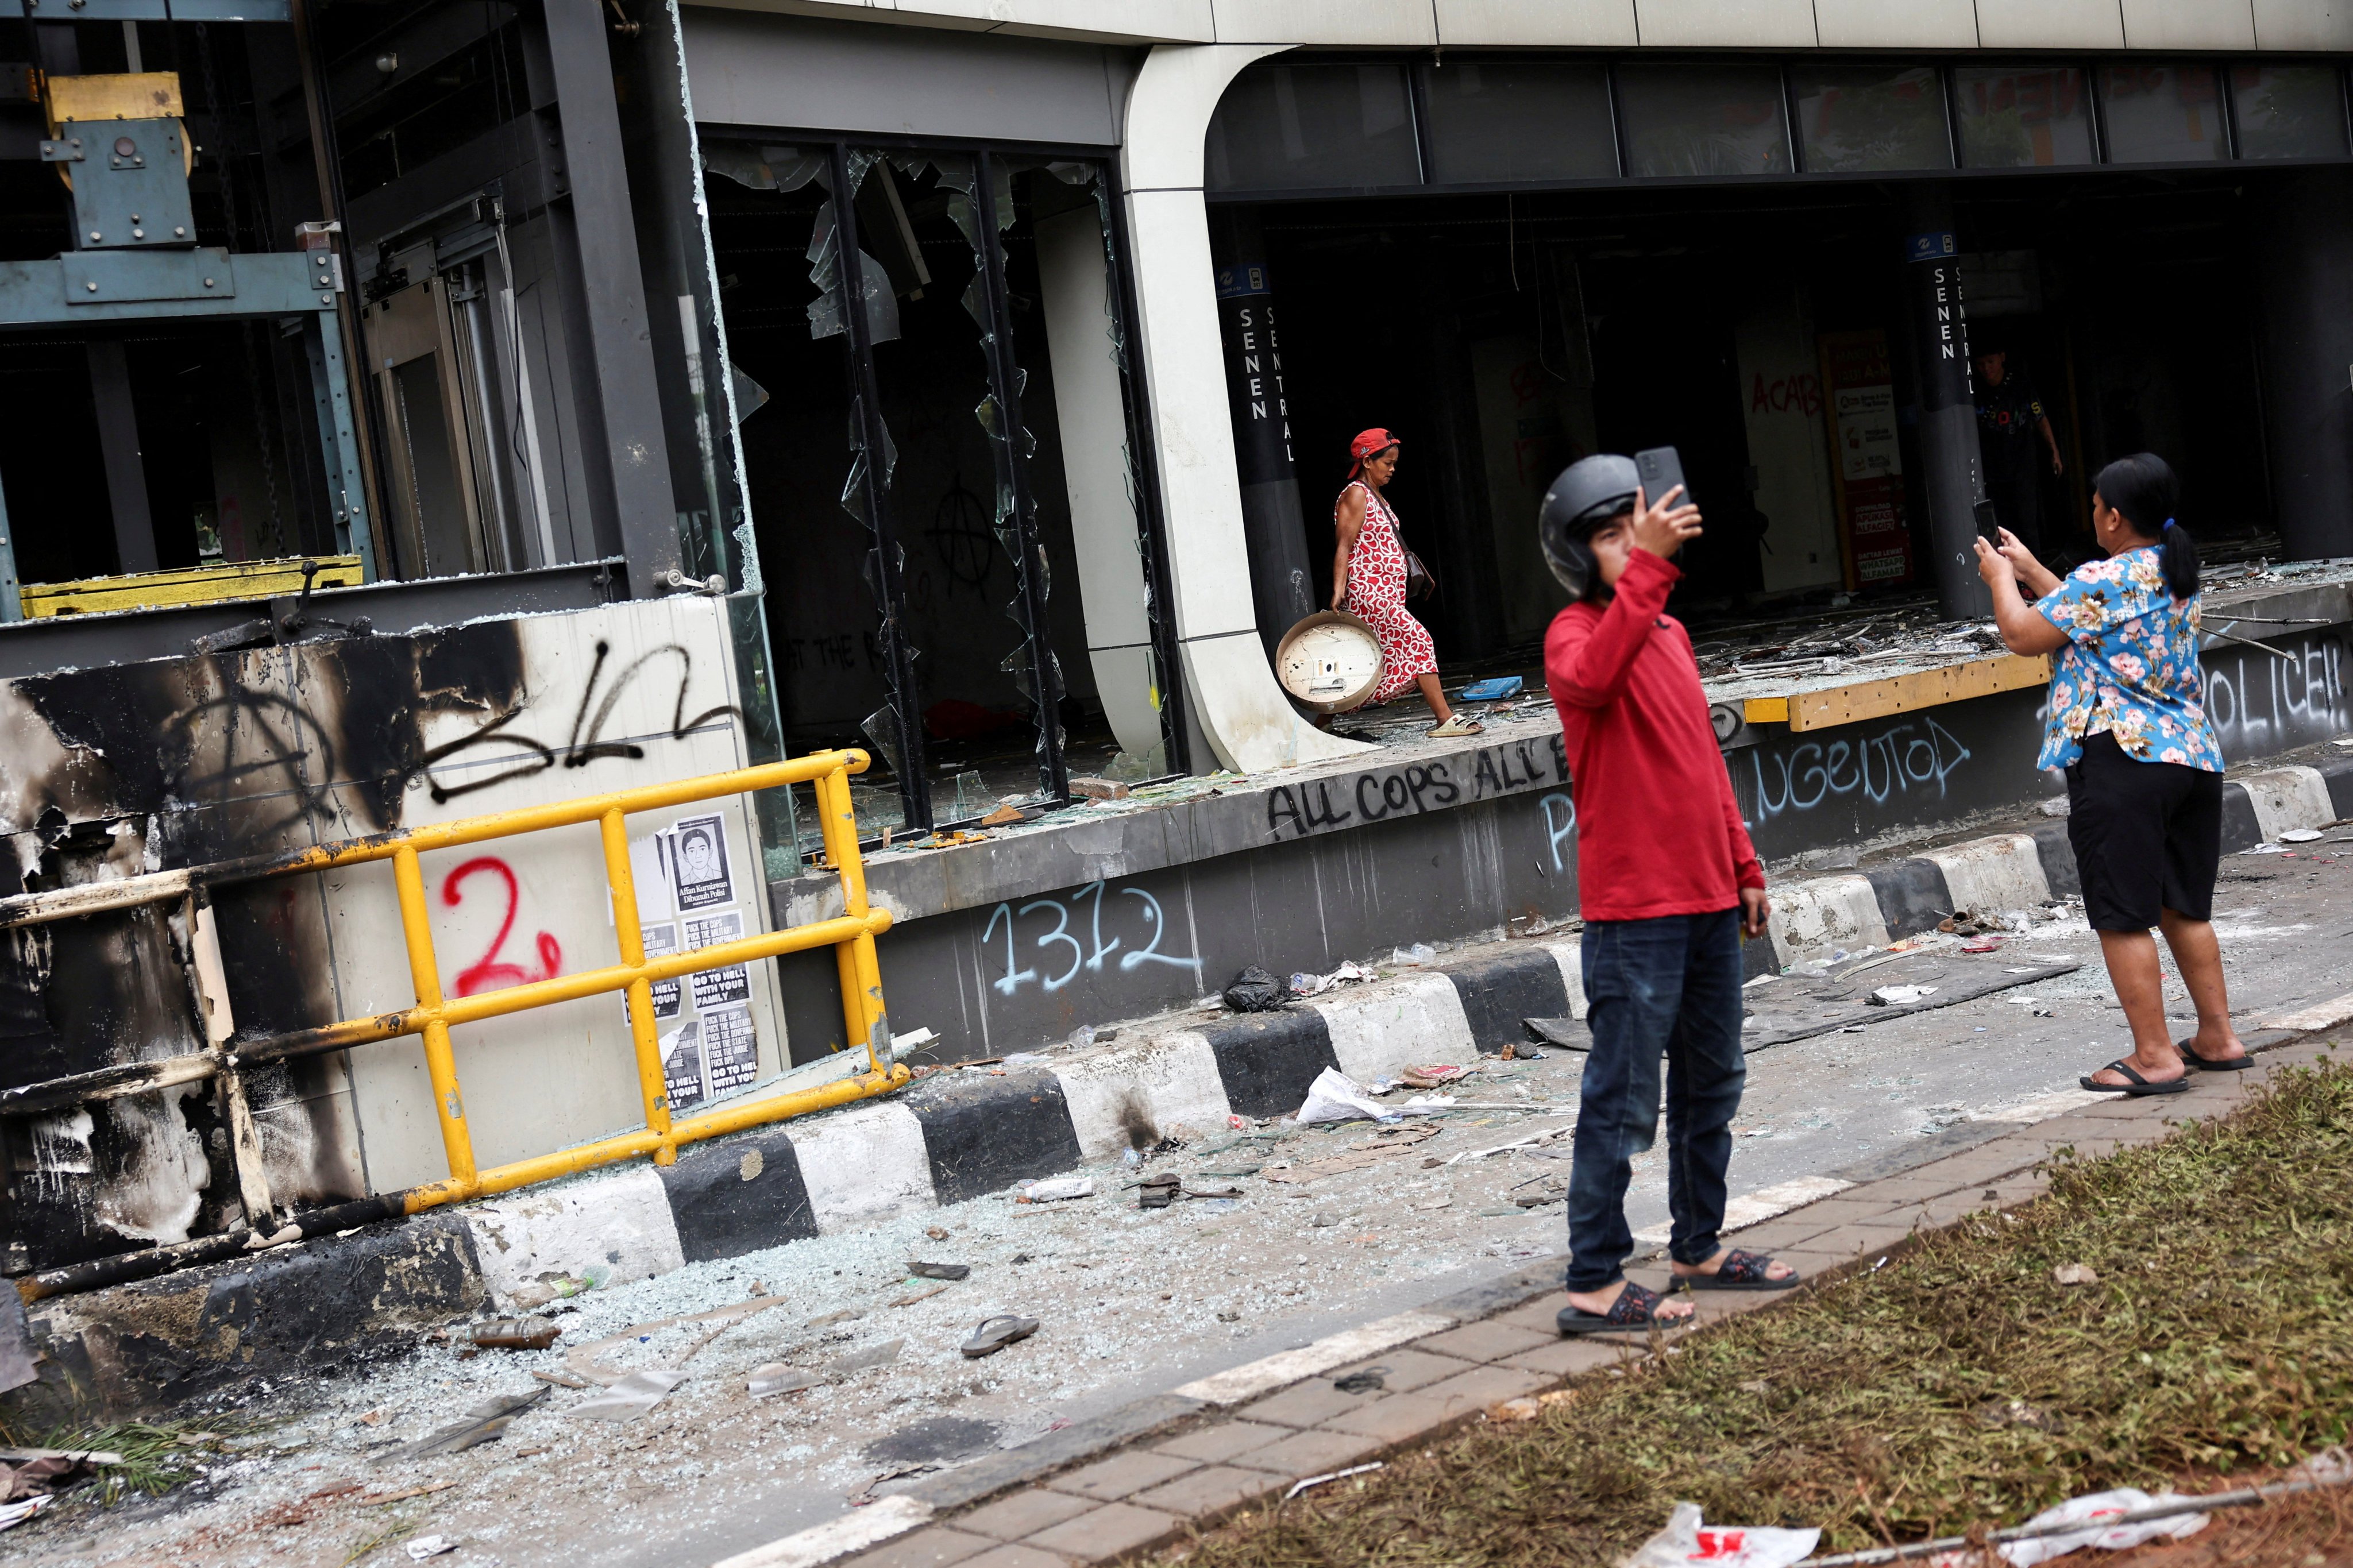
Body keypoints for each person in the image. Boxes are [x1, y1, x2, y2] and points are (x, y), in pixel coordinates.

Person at [1537, 454, 1793, 1335]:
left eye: (1635, 530)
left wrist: (1745, 865)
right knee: (1624, 1097)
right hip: (1633, 916)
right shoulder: (1573, 635)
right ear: (1580, 555)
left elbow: (1703, 764)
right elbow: (1594, 678)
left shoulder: (1673, 637)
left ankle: (1698, 1246)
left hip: (1707, 903)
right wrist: (1646, 566)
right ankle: (1595, 1282)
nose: (1630, 548)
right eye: (1610, 538)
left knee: (1713, 1080)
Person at [1974, 452, 2247, 1096]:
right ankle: (2217, 1037)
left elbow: (2020, 634)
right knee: (2183, 905)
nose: (2091, 513)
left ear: (2115, 517)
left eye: (2096, 505)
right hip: (2190, 758)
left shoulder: (2104, 579)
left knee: (2121, 915)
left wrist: (1996, 579)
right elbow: (2088, 615)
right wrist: (2032, 570)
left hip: (2121, 761)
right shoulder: (2174, 568)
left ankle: (2154, 1056)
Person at [1331, 429, 1480, 737]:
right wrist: (1338, 590)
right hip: (1368, 591)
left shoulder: (1375, 495)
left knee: (1373, 665)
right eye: (1387, 462)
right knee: (1418, 640)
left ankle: (1322, 726)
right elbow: (1344, 546)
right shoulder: (1357, 493)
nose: (1392, 469)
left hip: (1386, 592)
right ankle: (1445, 719)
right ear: (1367, 461)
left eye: (1394, 463)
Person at [1974, 347, 2065, 555]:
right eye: (1981, 364)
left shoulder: (2020, 384)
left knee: (2027, 524)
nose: (1986, 369)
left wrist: (2054, 452)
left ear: (2002, 358)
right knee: (1999, 528)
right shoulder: (1976, 390)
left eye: (1991, 361)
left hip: (2022, 466)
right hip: (1991, 471)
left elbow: (2040, 417)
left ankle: (2033, 578)